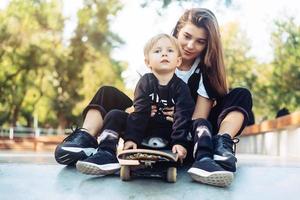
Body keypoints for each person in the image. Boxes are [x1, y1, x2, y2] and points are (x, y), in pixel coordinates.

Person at [55, 8, 252, 187]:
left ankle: (221, 145)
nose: (191, 45)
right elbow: (138, 108)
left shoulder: (205, 71)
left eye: (200, 41)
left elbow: (199, 117)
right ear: (177, 32)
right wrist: (136, 122)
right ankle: (85, 139)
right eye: (187, 36)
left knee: (241, 94)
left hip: (190, 131)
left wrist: (179, 119)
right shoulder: (155, 59)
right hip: (150, 124)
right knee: (107, 92)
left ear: (208, 44)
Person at [75, 33, 195, 175]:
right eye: (157, 51)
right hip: (144, 131)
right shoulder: (145, 82)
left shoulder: (182, 87)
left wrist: (179, 142)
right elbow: (140, 112)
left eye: (170, 51)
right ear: (147, 62)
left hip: (168, 136)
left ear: (178, 61)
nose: (164, 54)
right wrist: (132, 138)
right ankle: (106, 153)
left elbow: (182, 115)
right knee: (114, 115)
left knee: (192, 123)